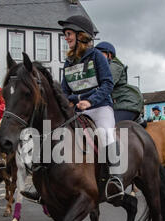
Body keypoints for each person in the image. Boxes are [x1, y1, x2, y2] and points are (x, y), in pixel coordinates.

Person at [58, 14, 124, 201]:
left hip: (100, 107)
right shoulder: (68, 61)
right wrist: (70, 101)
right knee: (56, 133)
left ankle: (116, 178)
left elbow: (107, 84)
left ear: (81, 35)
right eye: (66, 34)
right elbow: (64, 90)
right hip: (77, 110)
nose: (67, 37)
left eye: (69, 33)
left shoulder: (96, 56)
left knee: (105, 133)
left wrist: (90, 101)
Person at [95, 41, 144, 123]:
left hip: (127, 103)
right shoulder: (100, 68)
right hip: (115, 105)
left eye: (99, 54)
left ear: (109, 55)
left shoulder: (114, 66)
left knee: (111, 127)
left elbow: (104, 86)